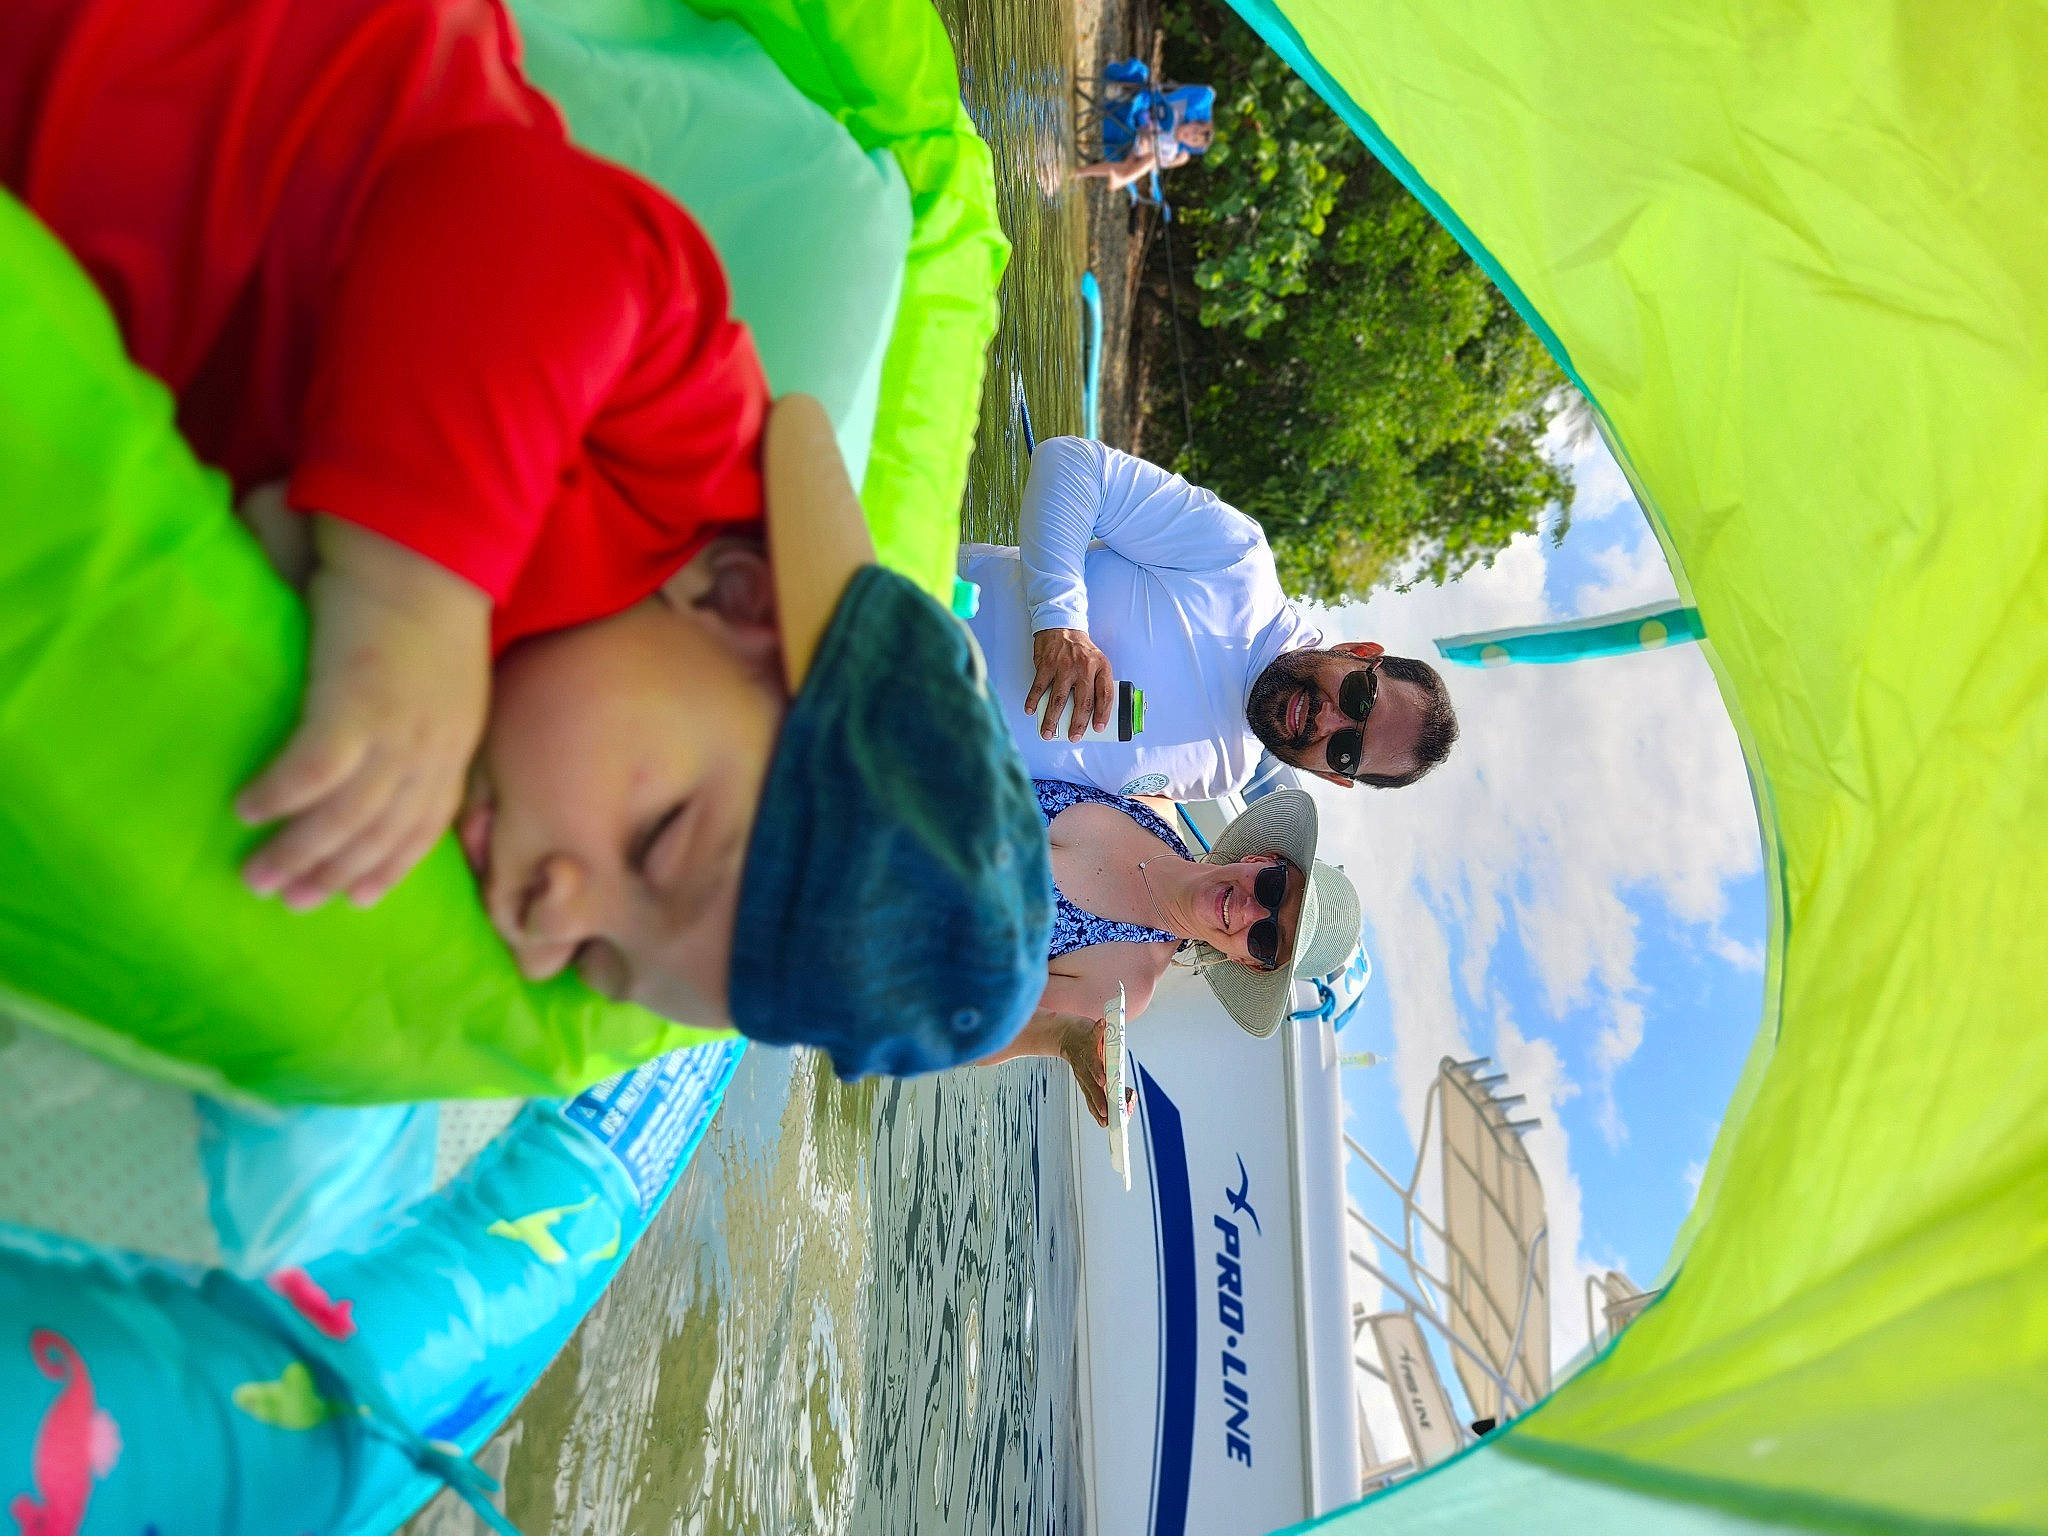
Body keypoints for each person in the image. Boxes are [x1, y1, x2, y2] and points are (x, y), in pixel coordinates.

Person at [3, 0, 1054, 1076]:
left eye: (596, 960)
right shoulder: (683, 460)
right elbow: (517, 215)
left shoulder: (527, 701)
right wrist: (411, 604)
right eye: (654, 841)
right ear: (736, 602)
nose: (545, 916)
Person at [962, 437, 1460, 805]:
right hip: (908, 607)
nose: (1328, 720)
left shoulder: (1222, 777)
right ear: (1361, 653)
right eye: (1359, 698)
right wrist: (1060, 621)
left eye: (1347, 750)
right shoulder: (1238, 562)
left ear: (1335, 777)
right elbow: (1071, 464)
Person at [983, 784, 1360, 1123]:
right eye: (1273, 888)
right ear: (1262, 860)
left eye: (1266, 940)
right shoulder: (1151, 800)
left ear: (1248, 961)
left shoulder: (1122, 987)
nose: (1249, 911)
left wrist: (1062, 1038)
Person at [1071, 115, 1213, 194]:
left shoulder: (1173, 151)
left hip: (1138, 159)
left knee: (1128, 166)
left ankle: (1078, 172)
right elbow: (1145, 113)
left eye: (1193, 140)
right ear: (1193, 122)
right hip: (1137, 137)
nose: (1190, 135)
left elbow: (1159, 165)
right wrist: (1148, 132)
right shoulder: (1172, 118)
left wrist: (1176, 162)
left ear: (1190, 146)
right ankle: (1121, 181)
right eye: (1194, 130)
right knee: (1148, 159)